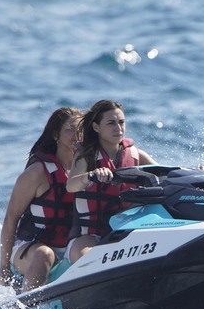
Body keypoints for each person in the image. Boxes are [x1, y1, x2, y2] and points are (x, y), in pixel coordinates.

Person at [0, 107, 83, 293]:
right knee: (45, 254)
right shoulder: (37, 173)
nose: (76, 135)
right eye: (70, 129)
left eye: (81, 130)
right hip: (30, 248)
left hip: (68, 246)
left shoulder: (86, 171)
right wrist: (3, 266)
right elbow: (11, 218)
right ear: (55, 135)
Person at [66, 100, 155, 262]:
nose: (118, 128)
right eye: (111, 123)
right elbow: (71, 185)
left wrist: (198, 171)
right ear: (96, 127)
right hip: (88, 235)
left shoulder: (136, 155)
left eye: (121, 122)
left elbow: (165, 173)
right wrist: (90, 175)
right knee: (89, 260)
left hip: (124, 231)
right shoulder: (86, 156)